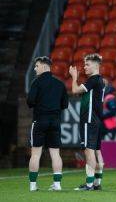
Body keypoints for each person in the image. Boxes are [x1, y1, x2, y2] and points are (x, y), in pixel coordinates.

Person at [27, 56, 68, 191]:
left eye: (37, 66)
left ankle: (33, 185)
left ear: (44, 67)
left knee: (36, 153)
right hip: (55, 122)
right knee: (55, 153)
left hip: (40, 120)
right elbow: (65, 104)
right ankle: (57, 184)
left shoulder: (36, 82)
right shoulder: (60, 84)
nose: (35, 68)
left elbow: (30, 102)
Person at [69, 53, 105, 191]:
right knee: (96, 151)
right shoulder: (100, 80)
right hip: (96, 120)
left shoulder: (93, 80)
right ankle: (97, 182)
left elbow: (74, 90)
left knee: (89, 152)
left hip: (88, 120)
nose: (84, 67)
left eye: (87, 64)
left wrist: (74, 78)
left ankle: (89, 184)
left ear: (96, 66)